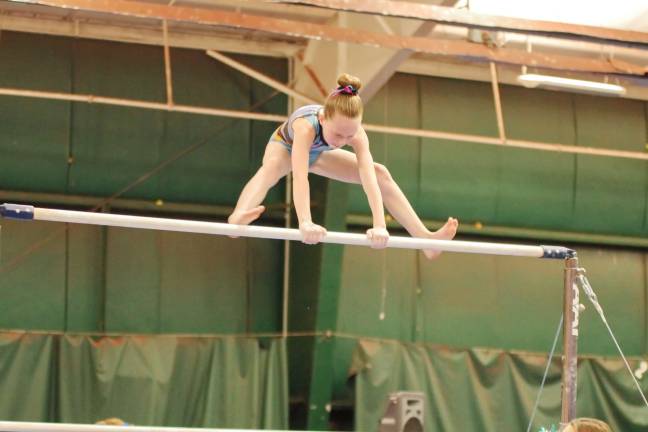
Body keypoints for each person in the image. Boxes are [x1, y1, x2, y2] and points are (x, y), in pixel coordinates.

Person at [228, 73, 458, 259]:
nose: (341, 142)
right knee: (271, 169)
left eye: (348, 136)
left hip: (318, 154)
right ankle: (236, 217)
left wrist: (379, 225)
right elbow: (300, 178)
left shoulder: (356, 135)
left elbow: (368, 178)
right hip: (286, 148)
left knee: (380, 173)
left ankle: (425, 241)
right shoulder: (305, 128)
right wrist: (305, 222)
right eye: (338, 134)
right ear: (323, 119)